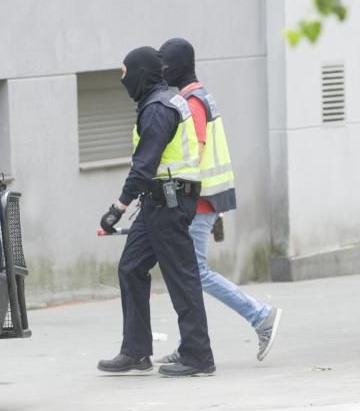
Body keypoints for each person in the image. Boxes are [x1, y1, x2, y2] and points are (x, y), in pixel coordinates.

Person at [156, 37, 282, 363]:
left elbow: (192, 154)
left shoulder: (192, 103)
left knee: (195, 272)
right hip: (208, 199)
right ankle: (189, 343)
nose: (161, 73)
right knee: (191, 273)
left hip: (198, 201)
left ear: (178, 67)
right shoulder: (203, 96)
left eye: (164, 66)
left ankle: (260, 316)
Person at [97, 46, 217, 377]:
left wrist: (117, 208)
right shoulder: (159, 103)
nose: (124, 82)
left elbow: (144, 164)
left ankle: (198, 355)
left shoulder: (158, 109)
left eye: (125, 75)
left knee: (182, 276)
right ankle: (136, 351)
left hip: (169, 202)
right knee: (131, 267)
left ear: (140, 74)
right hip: (157, 201)